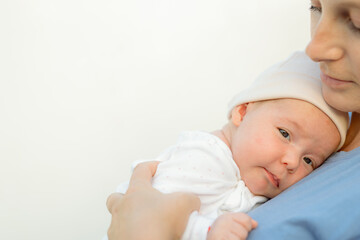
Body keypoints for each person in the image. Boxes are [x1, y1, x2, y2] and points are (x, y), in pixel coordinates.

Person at [106, 0, 360, 239]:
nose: (293, 162)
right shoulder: (205, 157)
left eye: (309, 161)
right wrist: (206, 230)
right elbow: (157, 203)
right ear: (242, 112)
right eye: (315, 8)